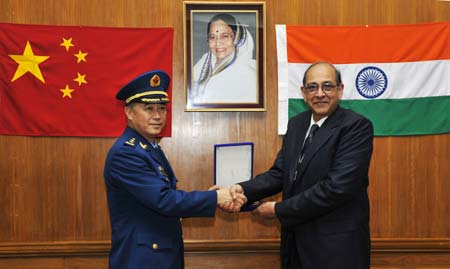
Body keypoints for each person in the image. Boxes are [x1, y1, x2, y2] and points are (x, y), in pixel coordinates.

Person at [229, 62, 374, 269]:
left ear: (340, 90)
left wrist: (279, 209)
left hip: (337, 250)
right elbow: (280, 173)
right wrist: (243, 189)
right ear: (304, 93)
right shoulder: (297, 124)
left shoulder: (355, 127)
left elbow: (337, 187)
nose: (320, 93)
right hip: (295, 244)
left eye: (328, 86)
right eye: (313, 87)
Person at [103, 70, 245, 269]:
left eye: (162, 109)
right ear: (128, 112)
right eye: (148, 108)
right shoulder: (126, 153)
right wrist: (215, 199)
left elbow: (162, 198)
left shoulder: (149, 148)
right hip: (142, 260)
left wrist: (210, 196)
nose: (157, 116)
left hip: (158, 256)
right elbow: (164, 201)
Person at [192, 13, 257, 104]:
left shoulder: (248, 73)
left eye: (225, 36)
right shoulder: (203, 63)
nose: (218, 43)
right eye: (212, 37)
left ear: (237, 38)